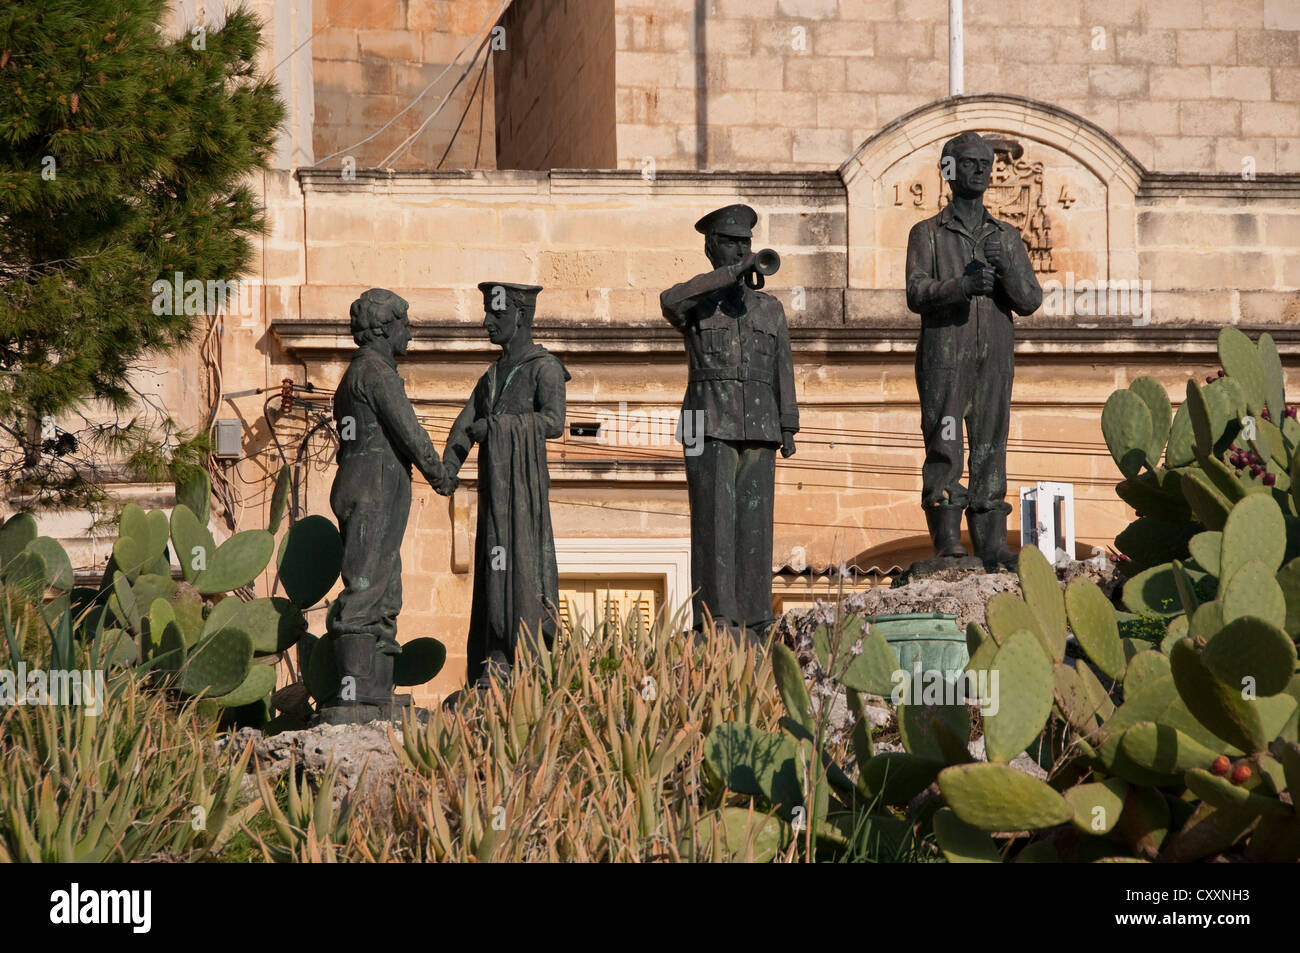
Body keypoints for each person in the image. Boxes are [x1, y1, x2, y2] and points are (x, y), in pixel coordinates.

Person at [660, 204, 798, 640]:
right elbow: (669, 300)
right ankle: (716, 615)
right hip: (707, 420)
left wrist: (788, 425)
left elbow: (783, 367)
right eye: (732, 243)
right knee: (714, 521)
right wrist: (729, 275)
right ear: (711, 246)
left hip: (759, 423)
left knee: (755, 522)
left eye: (746, 244)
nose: (743, 250)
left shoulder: (769, 308)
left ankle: (756, 614)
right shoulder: (696, 304)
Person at [905, 131, 1043, 568]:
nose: (981, 170)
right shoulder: (927, 233)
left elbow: (1030, 300)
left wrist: (1004, 265)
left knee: (991, 444)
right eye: (970, 162)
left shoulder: (1006, 236)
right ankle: (947, 537)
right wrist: (959, 287)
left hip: (995, 356)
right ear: (949, 170)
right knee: (945, 441)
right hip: (946, 354)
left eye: (985, 163)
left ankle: (991, 540)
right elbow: (915, 291)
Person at [327, 288, 456, 721]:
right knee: (367, 586)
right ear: (386, 328)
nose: (410, 333)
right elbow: (408, 430)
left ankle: (376, 691)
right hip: (377, 481)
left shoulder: (352, 376)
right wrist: (440, 474)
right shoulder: (376, 372)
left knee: (384, 584)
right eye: (405, 324)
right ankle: (354, 693)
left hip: (358, 478)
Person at [443, 282, 569, 687]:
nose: (486, 322)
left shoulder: (544, 368)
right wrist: (447, 468)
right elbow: (463, 426)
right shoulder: (491, 376)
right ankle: (494, 654)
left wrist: (494, 428)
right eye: (487, 313)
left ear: (521, 316)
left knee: (521, 564)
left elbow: (552, 422)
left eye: (496, 314)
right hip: (494, 490)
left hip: (524, 492)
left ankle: (526, 653)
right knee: (491, 569)